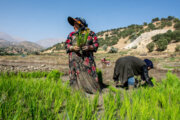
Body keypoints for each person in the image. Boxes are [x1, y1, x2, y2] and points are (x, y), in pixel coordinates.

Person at [65, 16, 100, 94]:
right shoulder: (71, 34)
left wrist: (89, 47)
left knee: (88, 74)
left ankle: (90, 89)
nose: (74, 26)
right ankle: (76, 90)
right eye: (73, 24)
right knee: (76, 76)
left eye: (75, 24)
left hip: (87, 60)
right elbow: (66, 44)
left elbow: (96, 44)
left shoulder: (90, 33)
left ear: (81, 24)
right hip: (74, 61)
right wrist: (72, 47)